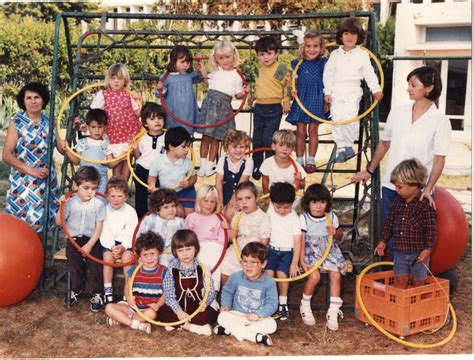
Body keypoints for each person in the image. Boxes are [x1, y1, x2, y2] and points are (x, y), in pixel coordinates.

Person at [352, 66, 451, 256]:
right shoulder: (398, 112)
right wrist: (369, 171)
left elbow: (439, 160)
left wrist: (428, 189)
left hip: (418, 190)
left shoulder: (440, 120)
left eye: (414, 85)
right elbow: (384, 143)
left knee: (413, 240)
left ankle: (410, 280)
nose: (408, 89)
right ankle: (388, 275)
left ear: (429, 88)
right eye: (408, 85)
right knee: (388, 235)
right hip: (392, 186)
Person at [3, 82, 63, 233]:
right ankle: (19, 255)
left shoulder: (51, 122)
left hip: (45, 181)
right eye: (28, 98)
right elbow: (6, 155)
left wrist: (72, 133)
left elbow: (62, 149)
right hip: (22, 180)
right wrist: (30, 170)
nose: (33, 101)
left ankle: (38, 254)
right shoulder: (16, 122)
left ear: (43, 100)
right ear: (23, 101)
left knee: (41, 225)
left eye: (37, 97)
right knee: (19, 225)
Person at [323, 17, 383, 163]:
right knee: (337, 118)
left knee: (349, 117)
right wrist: (328, 92)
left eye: (353, 34)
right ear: (341, 36)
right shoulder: (335, 55)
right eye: (346, 33)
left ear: (358, 36)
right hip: (337, 90)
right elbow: (328, 74)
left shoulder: (362, 55)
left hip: (352, 89)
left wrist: (375, 89)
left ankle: (349, 145)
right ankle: (341, 147)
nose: (349, 37)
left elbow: (369, 73)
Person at [374, 159, 436, 289]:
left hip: (418, 255)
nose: (396, 190)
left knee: (418, 282)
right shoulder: (397, 203)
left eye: (399, 187)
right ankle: (400, 307)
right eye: (396, 186)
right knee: (399, 280)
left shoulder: (424, 205)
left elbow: (431, 230)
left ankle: (415, 308)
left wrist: (427, 249)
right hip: (400, 253)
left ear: (414, 186)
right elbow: (389, 224)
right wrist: (383, 241)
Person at [195, 40, 250, 177]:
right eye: (221, 58)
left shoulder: (237, 75)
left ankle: (210, 165)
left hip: (224, 107)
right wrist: (202, 71)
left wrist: (244, 92)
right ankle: (202, 165)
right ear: (216, 59)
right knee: (206, 136)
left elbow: (237, 94)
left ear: (233, 56)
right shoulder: (215, 72)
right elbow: (209, 82)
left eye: (227, 57)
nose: (225, 61)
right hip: (210, 105)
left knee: (216, 138)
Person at [56, 166, 106, 311]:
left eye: (94, 188)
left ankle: (97, 293)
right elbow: (60, 222)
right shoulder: (70, 202)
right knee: (74, 262)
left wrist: (89, 245)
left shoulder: (99, 204)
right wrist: (61, 206)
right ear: (76, 186)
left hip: (92, 239)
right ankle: (74, 289)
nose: (91, 192)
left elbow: (99, 228)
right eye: (86, 188)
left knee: (96, 263)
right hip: (74, 240)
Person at [299, 183, 346, 331]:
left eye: (322, 202)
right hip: (310, 251)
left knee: (336, 274)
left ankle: (333, 310)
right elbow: (301, 240)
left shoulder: (331, 217)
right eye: (314, 202)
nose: (319, 206)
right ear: (308, 203)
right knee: (314, 277)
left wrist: (335, 232)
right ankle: (305, 304)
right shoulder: (304, 218)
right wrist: (301, 260)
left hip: (328, 249)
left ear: (327, 203)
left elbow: (339, 236)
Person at [214, 242, 278, 347]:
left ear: (263, 264)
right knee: (222, 316)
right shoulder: (236, 276)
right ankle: (255, 337)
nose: (248, 265)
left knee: (272, 325)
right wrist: (225, 305)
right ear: (241, 262)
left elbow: (272, 304)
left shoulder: (269, 282)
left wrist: (259, 314)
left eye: (253, 262)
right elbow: (227, 291)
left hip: (257, 318)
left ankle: (231, 330)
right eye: (245, 261)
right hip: (238, 315)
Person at [105, 231, 167, 335]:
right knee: (109, 307)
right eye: (145, 255)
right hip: (132, 307)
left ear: (160, 253)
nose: (149, 258)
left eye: (152, 254)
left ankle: (123, 320)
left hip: (149, 309)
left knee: (151, 314)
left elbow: (167, 293)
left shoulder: (164, 271)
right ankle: (134, 324)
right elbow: (127, 286)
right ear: (139, 256)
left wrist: (158, 304)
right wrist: (128, 298)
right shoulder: (134, 269)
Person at [157, 230, 218, 336]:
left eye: (188, 249)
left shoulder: (204, 268)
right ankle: (191, 325)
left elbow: (211, 290)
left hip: (198, 308)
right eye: (181, 250)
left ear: (196, 249)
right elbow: (169, 296)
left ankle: (186, 325)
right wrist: (179, 312)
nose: (185, 254)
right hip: (179, 308)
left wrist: (205, 302)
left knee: (209, 314)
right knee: (163, 313)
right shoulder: (170, 270)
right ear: (175, 252)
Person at [91, 63, 142, 180]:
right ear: (108, 80)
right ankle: (116, 190)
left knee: (127, 163)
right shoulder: (103, 95)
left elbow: (138, 113)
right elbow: (95, 113)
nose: (116, 81)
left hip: (130, 134)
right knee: (116, 168)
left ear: (125, 80)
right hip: (114, 135)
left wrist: (139, 99)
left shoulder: (129, 95)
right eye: (113, 78)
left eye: (119, 78)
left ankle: (123, 190)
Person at [286, 30, 327, 173]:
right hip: (301, 98)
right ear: (303, 47)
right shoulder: (298, 63)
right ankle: (298, 160)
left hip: (316, 98)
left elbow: (328, 81)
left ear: (321, 48)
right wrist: (293, 90)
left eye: (315, 46)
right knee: (301, 131)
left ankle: (311, 159)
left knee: (313, 130)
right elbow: (292, 81)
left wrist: (327, 101)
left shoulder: (323, 63)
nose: (312, 49)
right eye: (308, 46)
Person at [251, 36, 291, 179]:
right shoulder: (259, 69)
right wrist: (253, 96)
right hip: (259, 106)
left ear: (276, 53)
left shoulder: (280, 68)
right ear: (258, 56)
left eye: (269, 53)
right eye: (262, 54)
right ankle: (256, 165)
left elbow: (288, 84)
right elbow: (259, 86)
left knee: (269, 138)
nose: (265, 57)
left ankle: (268, 166)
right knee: (256, 138)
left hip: (274, 107)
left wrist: (286, 100)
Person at [220, 181, 270, 285]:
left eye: (248, 198)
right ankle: (228, 294)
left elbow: (264, 242)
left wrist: (254, 255)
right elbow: (232, 238)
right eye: (240, 199)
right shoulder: (238, 215)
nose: (244, 202)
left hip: (253, 253)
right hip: (237, 250)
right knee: (225, 267)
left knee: (250, 275)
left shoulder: (263, 217)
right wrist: (230, 231)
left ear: (256, 198)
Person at [265, 182, 302, 321]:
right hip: (272, 250)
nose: (281, 211)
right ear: (272, 203)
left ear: (292, 203)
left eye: (286, 207)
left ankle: (283, 303)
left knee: (282, 274)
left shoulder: (294, 218)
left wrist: (294, 262)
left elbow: (297, 242)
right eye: (278, 207)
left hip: (287, 252)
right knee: (268, 274)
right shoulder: (270, 210)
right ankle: (268, 302)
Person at [100, 176, 138, 304]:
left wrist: (123, 246)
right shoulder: (104, 211)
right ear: (106, 196)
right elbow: (104, 232)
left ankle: (127, 291)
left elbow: (132, 233)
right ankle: (108, 290)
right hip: (109, 244)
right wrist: (112, 246)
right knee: (108, 258)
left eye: (119, 196)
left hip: (126, 244)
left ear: (126, 197)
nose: (116, 200)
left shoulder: (131, 212)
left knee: (127, 258)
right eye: (112, 196)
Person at [147, 126, 197, 217]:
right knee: (176, 213)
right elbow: (152, 177)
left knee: (190, 216)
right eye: (184, 147)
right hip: (167, 193)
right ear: (171, 146)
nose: (187, 150)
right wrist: (152, 185)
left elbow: (194, 176)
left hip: (185, 191)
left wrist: (189, 183)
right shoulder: (158, 160)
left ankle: (188, 229)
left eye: (188, 146)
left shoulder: (187, 162)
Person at [156, 45, 206, 135]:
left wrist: (200, 63)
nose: (185, 65)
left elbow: (202, 77)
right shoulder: (166, 77)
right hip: (173, 112)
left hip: (187, 111)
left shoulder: (189, 75)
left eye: (188, 62)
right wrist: (161, 89)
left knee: (186, 134)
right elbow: (158, 93)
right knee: (173, 134)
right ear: (173, 61)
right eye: (182, 62)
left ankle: (186, 147)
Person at [62, 108, 115, 194]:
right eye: (93, 127)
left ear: (105, 127)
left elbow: (110, 164)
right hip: (84, 178)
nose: (97, 130)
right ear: (87, 127)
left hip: (100, 179)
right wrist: (67, 150)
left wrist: (123, 156)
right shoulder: (83, 142)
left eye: (100, 127)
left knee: (99, 201)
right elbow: (76, 161)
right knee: (83, 199)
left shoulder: (106, 144)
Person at [185, 185, 226, 291]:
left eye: (213, 201)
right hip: (197, 247)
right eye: (205, 201)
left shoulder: (219, 219)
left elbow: (222, 241)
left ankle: (212, 291)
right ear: (199, 201)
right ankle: (197, 289)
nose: (209, 205)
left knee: (215, 260)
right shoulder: (192, 217)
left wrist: (227, 228)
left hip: (214, 249)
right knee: (198, 259)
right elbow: (186, 237)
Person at [132, 102, 166, 219]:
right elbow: (139, 157)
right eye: (152, 119)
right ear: (145, 123)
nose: (157, 121)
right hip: (143, 170)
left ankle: (159, 219)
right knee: (141, 198)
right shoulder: (141, 138)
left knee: (160, 197)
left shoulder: (168, 137)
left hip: (160, 171)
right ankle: (141, 220)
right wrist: (135, 150)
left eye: (159, 118)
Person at [137, 188, 185, 266]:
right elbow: (140, 238)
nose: (171, 210)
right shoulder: (150, 220)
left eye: (173, 206)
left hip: (172, 256)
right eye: (166, 207)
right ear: (157, 209)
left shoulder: (180, 222)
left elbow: (185, 241)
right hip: (151, 255)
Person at [215, 129, 253, 220]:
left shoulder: (248, 161)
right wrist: (220, 202)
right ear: (227, 147)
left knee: (229, 214)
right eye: (234, 147)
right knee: (216, 212)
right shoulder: (222, 159)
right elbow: (219, 181)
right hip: (223, 193)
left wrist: (230, 205)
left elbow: (241, 184)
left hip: (239, 194)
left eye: (242, 147)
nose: (238, 150)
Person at [260, 129, 306, 197]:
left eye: (289, 146)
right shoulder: (267, 163)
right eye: (281, 145)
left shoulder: (297, 166)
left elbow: (302, 185)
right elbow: (265, 183)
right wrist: (266, 198)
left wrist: (298, 180)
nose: (285, 149)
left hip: (290, 199)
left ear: (293, 149)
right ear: (273, 146)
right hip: (273, 198)